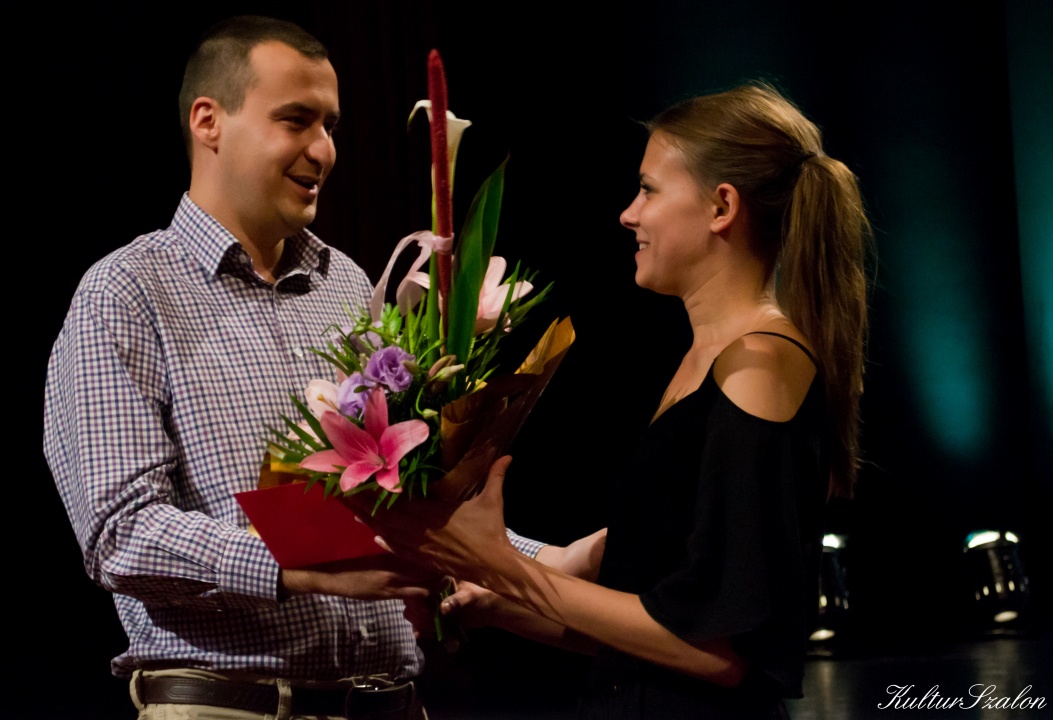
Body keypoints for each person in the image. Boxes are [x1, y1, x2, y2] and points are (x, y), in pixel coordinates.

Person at [43, 15, 596, 720]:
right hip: (234, 708)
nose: (324, 150)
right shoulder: (127, 292)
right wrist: (296, 564)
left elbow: (393, 506)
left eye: (330, 125)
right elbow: (121, 536)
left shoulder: (345, 284)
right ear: (209, 122)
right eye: (295, 120)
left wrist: (542, 559)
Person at [353, 82, 871, 719]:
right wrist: (500, 606)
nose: (628, 214)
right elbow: (650, 633)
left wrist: (504, 567)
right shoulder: (708, 359)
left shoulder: (759, 364)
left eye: (648, 190)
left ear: (721, 206)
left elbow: (716, 652)